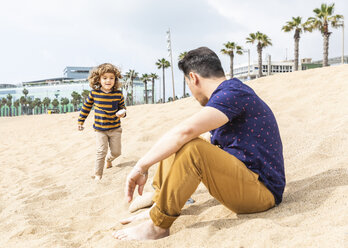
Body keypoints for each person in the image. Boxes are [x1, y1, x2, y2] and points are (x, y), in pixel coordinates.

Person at [112, 47, 285, 240]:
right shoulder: (231, 92)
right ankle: (160, 202)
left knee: (191, 145)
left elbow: (186, 132)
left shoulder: (232, 94)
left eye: (188, 83)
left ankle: (158, 225)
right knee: (183, 141)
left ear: (193, 78)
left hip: (262, 193)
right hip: (246, 181)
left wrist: (141, 166)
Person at [78, 63, 126, 181]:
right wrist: (81, 121)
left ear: (115, 79)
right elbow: (86, 108)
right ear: (98, 79)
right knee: (101, 151)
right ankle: (98, 175)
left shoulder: (118, 94)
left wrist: (122, 113)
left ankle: (109, 160)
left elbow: (123, 108)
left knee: (117, 152)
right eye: (105, 78)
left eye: (111, 78)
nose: (108, 80)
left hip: (115, 128)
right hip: (100, 130)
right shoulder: (94, 93)